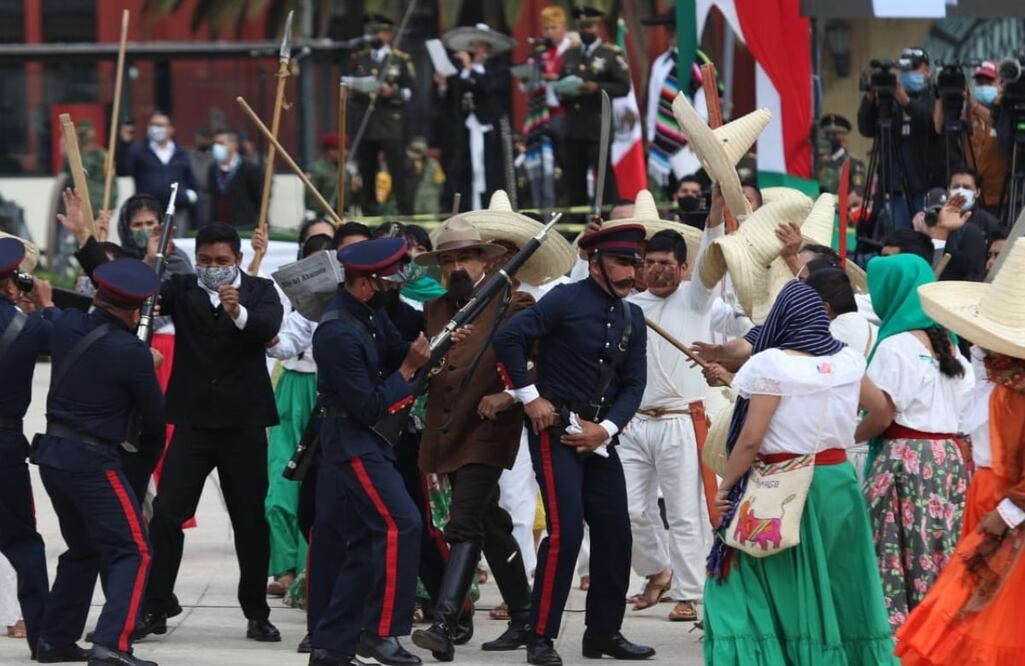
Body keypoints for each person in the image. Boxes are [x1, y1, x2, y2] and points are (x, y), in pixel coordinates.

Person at [702, 281, 896, 665]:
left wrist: (726, 487)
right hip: (837, 480)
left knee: (749, 580)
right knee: (837, 579)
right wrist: (837, 440)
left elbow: (749, 439)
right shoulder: (847, 360)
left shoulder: (771, 364)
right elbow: (883, 412)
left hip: (781, 486)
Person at [494, 224, 653, 666]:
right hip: (556, 429)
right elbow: (508, 338)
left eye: (633, 263)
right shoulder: (565, 298)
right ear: (593, 261)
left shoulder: (632, 316)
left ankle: (603, 634)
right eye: (622, 263)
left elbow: (635, 383)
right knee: (564, 533)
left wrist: (608, 430)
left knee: (617, 534)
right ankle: (540, 637)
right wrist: (531, 398)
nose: (630, 272)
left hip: (600, 438)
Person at [126, 223, 283, 642]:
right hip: (193, 424)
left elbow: (266, 328)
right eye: (206, 261)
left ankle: (256, 611)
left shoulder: (260, 290)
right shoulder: (182, 288)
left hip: (243, 425)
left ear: (236, 259)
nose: (213, 269)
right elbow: (144, 294)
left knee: (250, 522)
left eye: (222, 262)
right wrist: (151, 255)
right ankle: (156, 606)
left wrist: (237, 312)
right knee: (167, 517)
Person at [894, 239, 1025, 664]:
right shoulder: (997, 384)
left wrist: (1007, 515)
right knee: (974, 600)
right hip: (985, 495)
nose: (978, 349)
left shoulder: (1017, 394)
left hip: (1008, 505)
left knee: (994, 611)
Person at [409, 219, 535, 659]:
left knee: (462, 524)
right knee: (490, 524)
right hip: (447, 429)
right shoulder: (438, 308)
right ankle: (524, 615)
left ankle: (444, 623)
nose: (456, 266)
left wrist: (507, 395)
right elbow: (426, 371)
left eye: (464, 257)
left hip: (487, 429)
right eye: (447, 260)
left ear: (486, 259)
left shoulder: (515, 304)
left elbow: (537, 368)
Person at [307, 238, 434, 666]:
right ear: (364, 284)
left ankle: (331, 645)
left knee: (363, 545)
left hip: (369, 442)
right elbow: (367, 405)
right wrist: (409, 369)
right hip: (352, 441)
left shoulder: (369, 314)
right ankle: (381, 632)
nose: (394, 287)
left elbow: (398, 350)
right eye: (387, 280)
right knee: (402, 524)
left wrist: (442, 343)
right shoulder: (337, 332)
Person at [33, 258, 165, 666]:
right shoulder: (132, 352)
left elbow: (53, 313)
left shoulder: (67, 325)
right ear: (138, 311)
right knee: (135, 550)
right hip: (94, 461)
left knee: (84, 547)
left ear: (95, 295)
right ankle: (113, 643)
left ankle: (55, 640)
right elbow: (154, 425)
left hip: (53, 454)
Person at [617, 196, 724, 624]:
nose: (657, 269)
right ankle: (656, 570)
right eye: (650, 261)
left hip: (681, 420)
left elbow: (713, 254)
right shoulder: (629, 307)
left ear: (682, 268)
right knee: (628, 509)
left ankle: (689, 593)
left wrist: (715, 211)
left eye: (667, 262)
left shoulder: (696, 299)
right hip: (633, 422)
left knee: (683, 512)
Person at [858, 253, 973, 630]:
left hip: (905, 458)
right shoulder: (952, 347)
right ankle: (939, 627)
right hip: (949, 458)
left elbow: (882, 413)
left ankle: (904, 631)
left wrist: (846, 437)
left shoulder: (896, 348)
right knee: (939, 542)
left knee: (900, 547)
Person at [263, 233, 336, 603]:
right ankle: (284, 567)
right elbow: (282, 341)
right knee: (281, 478)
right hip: (292, 387)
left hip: (329, 390)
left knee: (320, 483)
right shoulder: (294, 302)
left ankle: (311, 572)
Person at [0, 239, 54, 660]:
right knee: (23, 543)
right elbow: (71, 338)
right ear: (11, 283)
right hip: (4, 447)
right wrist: (44, 306)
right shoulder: (30, 327)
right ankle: (43, 637)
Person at [556, 6, 630, 208]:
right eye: (581, 27)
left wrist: (596, 87)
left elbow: (624, 86)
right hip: (573, 128)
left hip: (598, 127)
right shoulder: (570, 55)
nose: (585, 30)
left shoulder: (610, 54)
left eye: (589, 26)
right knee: (573, 180)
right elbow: (560, 83)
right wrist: (563, 92)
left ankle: (608, 220)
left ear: (598, 26)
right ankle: (576, 224)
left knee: (604, 179)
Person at [436, 25, 514, 211]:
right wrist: (443, 85)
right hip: (466, 129)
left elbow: (488, 89)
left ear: (488, 48)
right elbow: (454, 97)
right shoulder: (462, 72)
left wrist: (470, 68)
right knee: (465, 170)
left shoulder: (497, 69)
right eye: (472, 46)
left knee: (488, 169)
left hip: (489, 127)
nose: (474, 50)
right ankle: (467, 207)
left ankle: (490, 206)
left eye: (479, 45)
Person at [857, 47, 935, 231]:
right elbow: (866, 128)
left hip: (924, 186)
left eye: (914, 68)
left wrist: (905, 101)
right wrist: (870, 96)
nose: (908, 74)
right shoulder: (888, 100)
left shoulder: (932, 96)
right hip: (894, 187)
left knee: (924, 236)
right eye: (905, 70)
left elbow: (931, 125)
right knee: (896, 236)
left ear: (927, 70)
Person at [346, 14, 416, 216]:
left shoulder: (400, 59)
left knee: (398, 170)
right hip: (366, 123)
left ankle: (404, 210)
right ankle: (370, 212)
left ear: (389, 34)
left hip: (390, 124)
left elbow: (411, 91)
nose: (375, 36)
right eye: (372, 32)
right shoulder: (359, 58)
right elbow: (350, 84)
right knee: (367, 169)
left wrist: (392, 92)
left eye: (379, 32)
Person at [641, 9, 708, 191]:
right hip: (661, 142)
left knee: (690, 190)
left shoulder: (698, 65)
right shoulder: (660, 63)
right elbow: (654, 104)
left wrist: (695, 139)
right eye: (668, 29)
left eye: (674, 29)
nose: (670, 33)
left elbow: (704, 110)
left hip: (690, 147)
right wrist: (651, 137)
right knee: (668, 192)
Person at [116, 111, 199, 232]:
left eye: (160, 125)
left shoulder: (181, 153)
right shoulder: (138, 150)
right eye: (153, 124)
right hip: (148, 212)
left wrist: (187, 197)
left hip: (176, 211)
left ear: (171, 129)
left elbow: (191, 181)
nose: (156, 128)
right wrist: (124, 144)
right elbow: (122, 170)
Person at [964, 61, 1009, 213]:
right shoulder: (969, 115)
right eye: (979, 82)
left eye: (989, 81)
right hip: (973, 199)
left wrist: (976, 106)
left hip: (1003, 198)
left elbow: (998, 122)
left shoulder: (1008, 114)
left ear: (1002, 84)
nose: (983, 86)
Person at [208, 129, 263, 229]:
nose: (216, 147)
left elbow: (259, 198)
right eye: (215, 143)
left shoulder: (249, 169)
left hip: (244, 227)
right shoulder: (213, 169)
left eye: (221, 143)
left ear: (234, 145)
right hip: (218, 227)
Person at [948, 166, 1003, 242]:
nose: (960, 192)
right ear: (948, 190)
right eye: (956, 187)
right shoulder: (939, 220)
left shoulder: (989, 223)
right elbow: (936, 253)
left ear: (977, 192)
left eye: (966, 188)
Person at [815, 114, 866, 195]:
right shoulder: (817, 161)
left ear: (844, 136)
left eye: (835, 134)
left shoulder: (854, 163)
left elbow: (857, 191)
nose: (830, 137)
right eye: (828, 134)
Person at [307, 133, 345, 217]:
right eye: (337, 149)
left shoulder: (346, 169)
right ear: (328, 151)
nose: (343, 153)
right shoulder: (318, 170)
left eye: (344, 149)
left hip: (344, 214)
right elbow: (311, 198)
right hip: (324, 215)